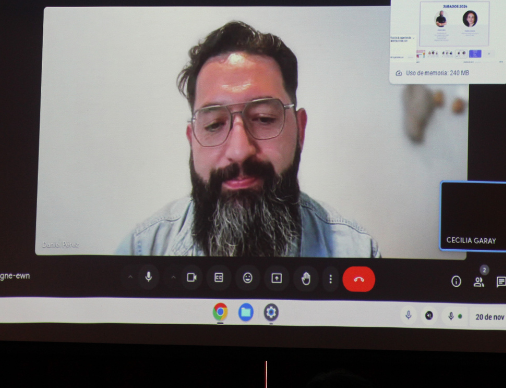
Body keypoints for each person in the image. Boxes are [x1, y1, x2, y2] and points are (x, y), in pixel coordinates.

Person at [116, 21, 380, 257]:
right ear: (192, 140)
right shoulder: (142, 250)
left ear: (300, 130)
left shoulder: (356, 254)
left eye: (264, 118)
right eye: (214, 124)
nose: (240, 150)